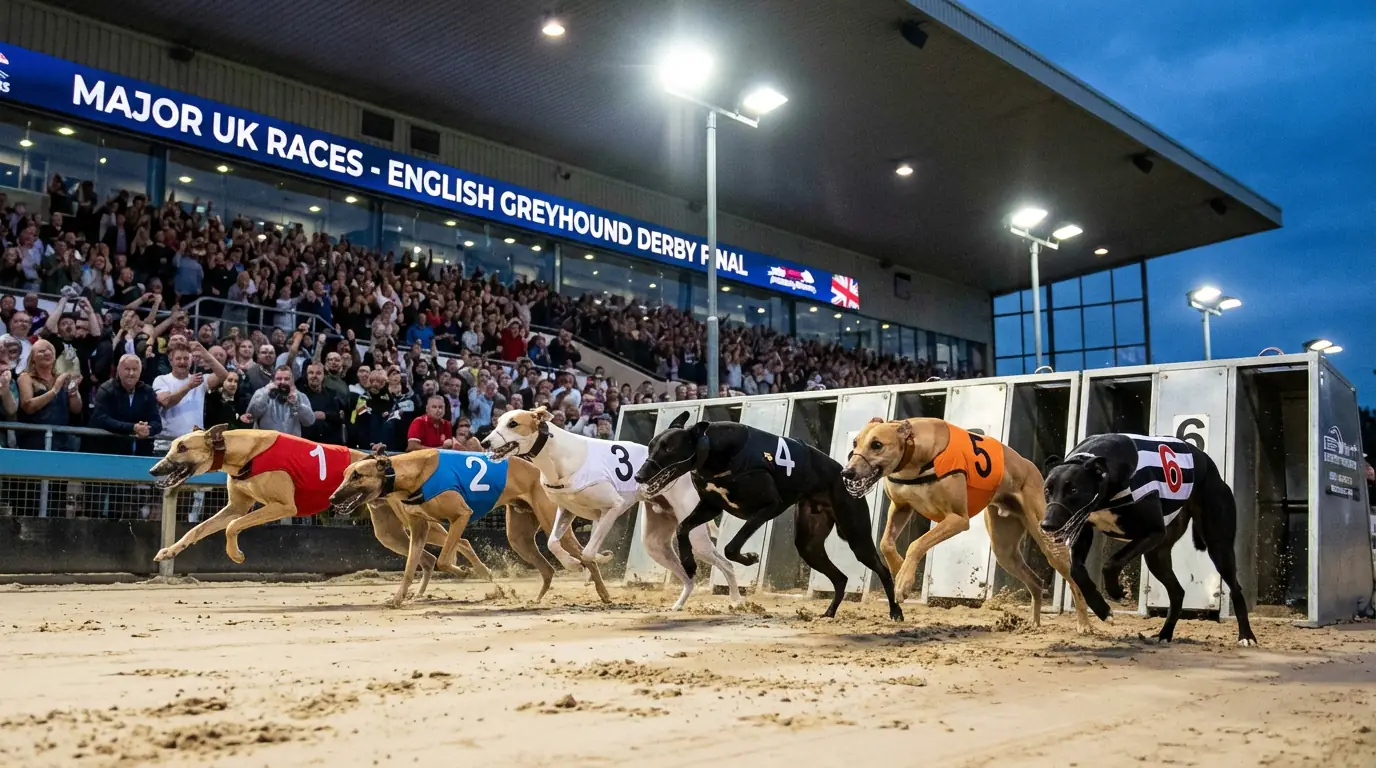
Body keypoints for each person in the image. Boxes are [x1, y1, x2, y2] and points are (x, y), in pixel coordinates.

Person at [153, 340, 229, 442]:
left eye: (186, 358)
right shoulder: (161, 379)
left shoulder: (199, 380)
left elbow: (223, 375)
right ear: (171, 361)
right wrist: (188, 386)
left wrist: (204, 352)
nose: (182, 362)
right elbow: (166, 402)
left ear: (191, 360)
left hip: (194, 443)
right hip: (167, 442)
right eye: (178, 358)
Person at [89, 354, 162, 456]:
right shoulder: (106, 389)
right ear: (119, 371)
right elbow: (100, 419)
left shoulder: (148, 392)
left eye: (135, 369)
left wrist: (148, 430)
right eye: (127, 369)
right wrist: (132, 428)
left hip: (141, 453)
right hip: (109, 451)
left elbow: (157, 423)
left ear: (140, 372)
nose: (131, 373)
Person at [17, 339, 82, 451]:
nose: (47, 353)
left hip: (62, 439)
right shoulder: (25, 377)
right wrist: (55, 390)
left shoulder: (61, 377)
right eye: (41, 351)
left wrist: (74, 394)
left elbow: (76, 409)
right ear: (33, 358)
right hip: (34, 440)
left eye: (50, 350)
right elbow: (28, 406)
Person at [244, 365, 316, 437]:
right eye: (279, 379)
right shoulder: (261, 393)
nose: (283, 382)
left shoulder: (300, 396)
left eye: (287, 379)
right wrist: (266, 395)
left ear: (292, 380)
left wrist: (297, 404)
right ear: (273, 380)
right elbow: (251, 415)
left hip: (290, 444)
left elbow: (309, 421)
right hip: (266, 443)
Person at [299, 361, 347, 445]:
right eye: (311, 373)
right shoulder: (300, 395)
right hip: (307, 442)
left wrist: (325, 415)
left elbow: (339, 416)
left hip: (329, 443)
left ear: (323, 376)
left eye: (318, 373)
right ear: (306, 376)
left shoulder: (333, 395)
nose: (314, 376)